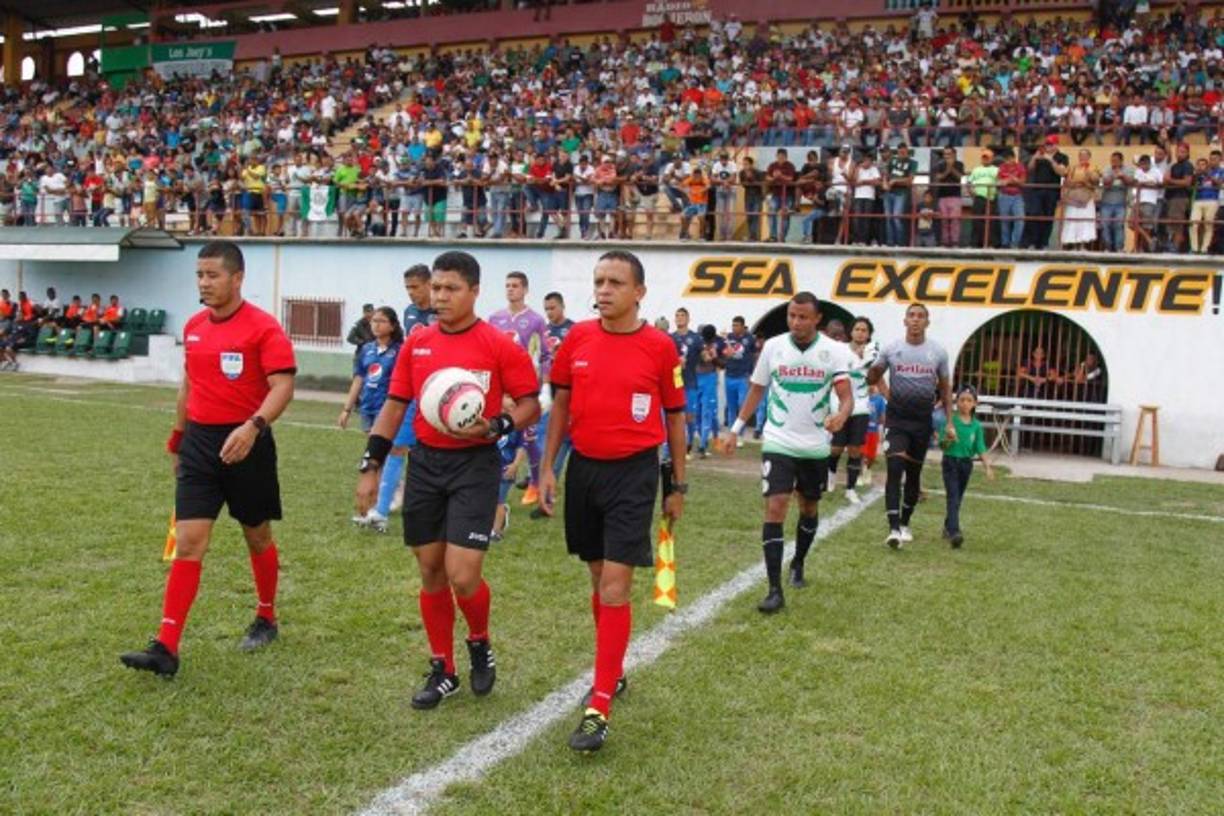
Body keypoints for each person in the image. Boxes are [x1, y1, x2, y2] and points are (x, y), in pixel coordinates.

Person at [356, 251, 540, 710]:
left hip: (475, 466)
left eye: (450, 288)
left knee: (463, 574)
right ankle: (444, 668)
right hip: (426, 464)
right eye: (436, 288)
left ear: (474, 291)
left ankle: (479, 640)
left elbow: (530, 404)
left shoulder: (498, 345)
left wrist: (499, 426)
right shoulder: (417, 344)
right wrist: (370, 465)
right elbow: (395, 406)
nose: (440, 296)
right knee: (431, 570)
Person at [120, 241, 296, 677]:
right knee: (190, 540)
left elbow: (282, 387)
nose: (204, 282)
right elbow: (188, 387)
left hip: (246, 442)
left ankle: (267, 616)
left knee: (256, 535)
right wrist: (178, 439)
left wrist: (253, 426)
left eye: (212, 275)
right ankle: (166, 645)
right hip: (199, 444)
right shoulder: (196, 326)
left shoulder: (263, 328)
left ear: (237, 278)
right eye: (199, 275)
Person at [538, 249, 687, 753]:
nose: (603, 290)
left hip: (634, 474)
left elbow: (675, 419)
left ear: (639, 292)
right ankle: (613, 670)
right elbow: (559, 403)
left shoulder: (661, 347)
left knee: (617, 586)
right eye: (599, 281)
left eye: (615, 283)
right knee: (599, 579)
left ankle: (599, 705)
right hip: (584, 469)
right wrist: (547, 466)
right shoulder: (576, 338)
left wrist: (678, 486)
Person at [719, 292, 853, 612]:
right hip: (778, 440)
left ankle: (799, 563)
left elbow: (845, 396)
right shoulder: (774, 347)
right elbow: (757, 389)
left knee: (808, 508)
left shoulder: (833, 351)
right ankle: (774, 590)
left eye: (803, 317)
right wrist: (735, 430)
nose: (796, 322)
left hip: (815, 446)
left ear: (817, 318)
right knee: (776, 507)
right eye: (792, 315)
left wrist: (842, 415)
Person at [867, 303, 953, 549]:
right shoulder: (892, 349)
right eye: (911, 316)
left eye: (920, 316)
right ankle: (893, 529)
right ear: (905, 321)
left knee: (913, 475)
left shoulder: (937, 352)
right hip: (897, 418)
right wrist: (880, 385)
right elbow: (874, 376)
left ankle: (905, 523)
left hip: (922, 420)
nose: (915, 320)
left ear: (927, 322)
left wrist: (949, 422)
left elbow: (945, 388)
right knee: (895, 466)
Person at [361, 266, 435, 532]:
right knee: (396, 448)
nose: (411, 293)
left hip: (438, 395)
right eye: (408, 288)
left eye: (415, 287)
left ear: (429, 284)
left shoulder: (444, 312)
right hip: (413, 393)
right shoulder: (410, 313)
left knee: (431, 453)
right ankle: (381, 510)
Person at [488, 271, 551, 506]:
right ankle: (496, 483)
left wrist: (545, 386)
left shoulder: (535, 320)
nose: (510, 289)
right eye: (507, 285)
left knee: (529, 438)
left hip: (526, 387)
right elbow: (488, 351)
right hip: (502, 388)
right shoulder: (495, 319)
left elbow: (545, 354)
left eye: (515, 285)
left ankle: (536, 482)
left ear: (525, 289)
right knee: (499, 435)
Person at [340, 307, 404, 523]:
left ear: (393, 326)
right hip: (368, 409)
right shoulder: (366, 349)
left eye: (382, 321)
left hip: (387, 411)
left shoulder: (400, 351)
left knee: (385, 457)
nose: (376, 324)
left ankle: (382, 502)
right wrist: (347, 408)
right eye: (374, 321)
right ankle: (383, 498)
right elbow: (359, 379)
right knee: (375, 458)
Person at [530, 291, 575, 520]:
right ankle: (544, 497)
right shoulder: (543, 332)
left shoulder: (574, 330)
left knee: (572, 452)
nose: (550, 313)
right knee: (548, 448)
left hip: (573, 399)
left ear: (562, 306)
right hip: (550, 396)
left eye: (553, 308)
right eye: (546, 309)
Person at [828, 317, 879, 505]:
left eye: (864, 330)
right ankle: (830, 475)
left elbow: (873, 374)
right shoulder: (839, 349)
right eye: (857, 329)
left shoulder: (873, 351)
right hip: (840, 404)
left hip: (861, 405)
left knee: (855, 449)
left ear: (868, 334)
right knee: (836, 448)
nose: (860, 332)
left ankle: (850, 488)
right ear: (851, 332)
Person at [939, 386, 994, 549]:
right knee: (953, 496)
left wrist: (987, 466)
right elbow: (943, 445)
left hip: (965, 464)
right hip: (950, 462)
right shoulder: (950, 422)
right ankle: (955, 532)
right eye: (962, 400)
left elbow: (980, 447)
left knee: (958, 497)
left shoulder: (976, 426)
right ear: (956, 402)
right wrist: (949, 438)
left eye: (969, 400)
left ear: (975, 403)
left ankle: (948, 526)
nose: (965, 403)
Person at [721, 316, 756, 446]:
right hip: (729, 375)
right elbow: (721, 352)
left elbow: (753, 355)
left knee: (742, 405)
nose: (734, 327)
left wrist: (752, 374)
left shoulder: (749, 339)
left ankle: (740, 434)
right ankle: (732, 435)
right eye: (733, 325)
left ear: (742, 326)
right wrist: (725, 353)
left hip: (743, 376)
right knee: (731, 407)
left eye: (736, 325)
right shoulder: (728, 338)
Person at [671, 307, 701, 457]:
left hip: (690, 382)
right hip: (675, 383)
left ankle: (689, 446)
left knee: (689, 416)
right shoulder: (670, 338)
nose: (679, 318)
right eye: (677, 316)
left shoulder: (695, 338)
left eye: (682, 315)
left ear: (688, 319)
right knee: (675, 417)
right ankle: (675, 448)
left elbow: (704, 357)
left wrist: (710, 355)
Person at [694, 324, 725, 457]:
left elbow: (722, 365)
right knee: (699, 412)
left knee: (707, 411)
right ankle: (706, 440)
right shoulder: (697, 344)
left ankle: (703, 444)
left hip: (709, 378)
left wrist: (713, 357)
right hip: (696, 378)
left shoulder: (717, 344)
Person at [1060, 149, 1099, 251]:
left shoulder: (1093, 167)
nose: (1083, 157)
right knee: (1073, 220)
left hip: (1086, 198)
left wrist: (1088, 172)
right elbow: (1067, 181)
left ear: (1089, 157)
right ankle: (1073, 245)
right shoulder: (1072, 168)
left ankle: (1082, 245)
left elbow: (1095, 180)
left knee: (1084, 221)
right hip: (1074, 197)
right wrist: (1076, 183)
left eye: (1085, 155)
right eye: (1081, 155)